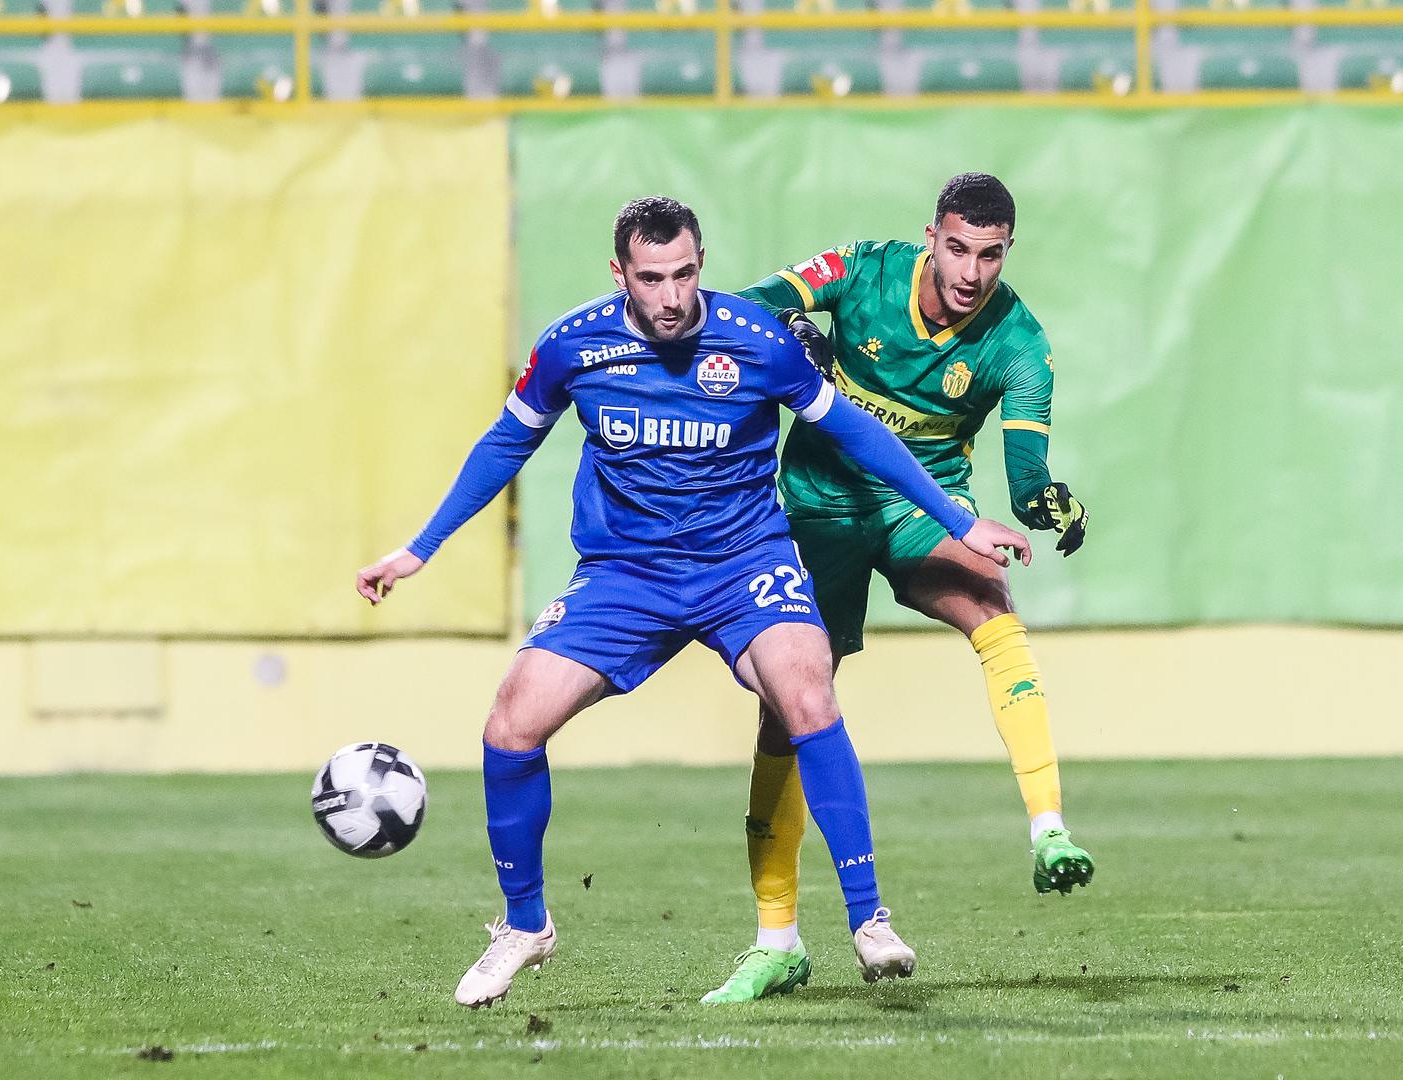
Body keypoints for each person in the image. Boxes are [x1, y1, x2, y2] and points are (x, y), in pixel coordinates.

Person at [357, 195, 1031, 1008]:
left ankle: (868, 920)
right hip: (625, 574)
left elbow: (855, 431)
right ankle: (525, 925)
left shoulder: (758, 340)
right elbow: (507, 443)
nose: (672, 296)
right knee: (511, 723)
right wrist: (420, 548)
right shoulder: (572, 344)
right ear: (620, 274)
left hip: (743, 564)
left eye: (684, 274)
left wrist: (959, 520)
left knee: (807, 685)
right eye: (652, 279)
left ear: (701, 264)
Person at [702, 173, 1095, 1006]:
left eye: (990, 255)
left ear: (1007, 251)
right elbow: (741, 305)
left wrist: (1048, 501)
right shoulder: (861, 270)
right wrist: (791, 328)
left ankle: (1049, 829)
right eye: (958, 249)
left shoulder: (1018, 341)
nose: (972, 272)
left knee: (992, 604)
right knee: (787, 709)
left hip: (925, 507)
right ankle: (777, 941)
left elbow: (1026, 473)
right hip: (816, 512)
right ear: (931, 237)